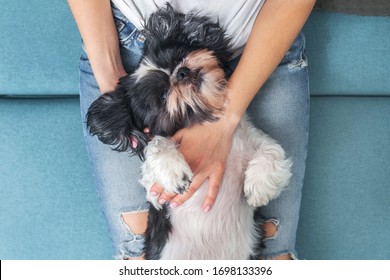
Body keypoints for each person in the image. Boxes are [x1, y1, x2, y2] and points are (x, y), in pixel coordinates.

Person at [67, 0, 316, 260]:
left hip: (267, 36)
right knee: (137, 254)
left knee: (278, 258)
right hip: (128, 41)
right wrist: (114, 86)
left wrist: (223, 122)